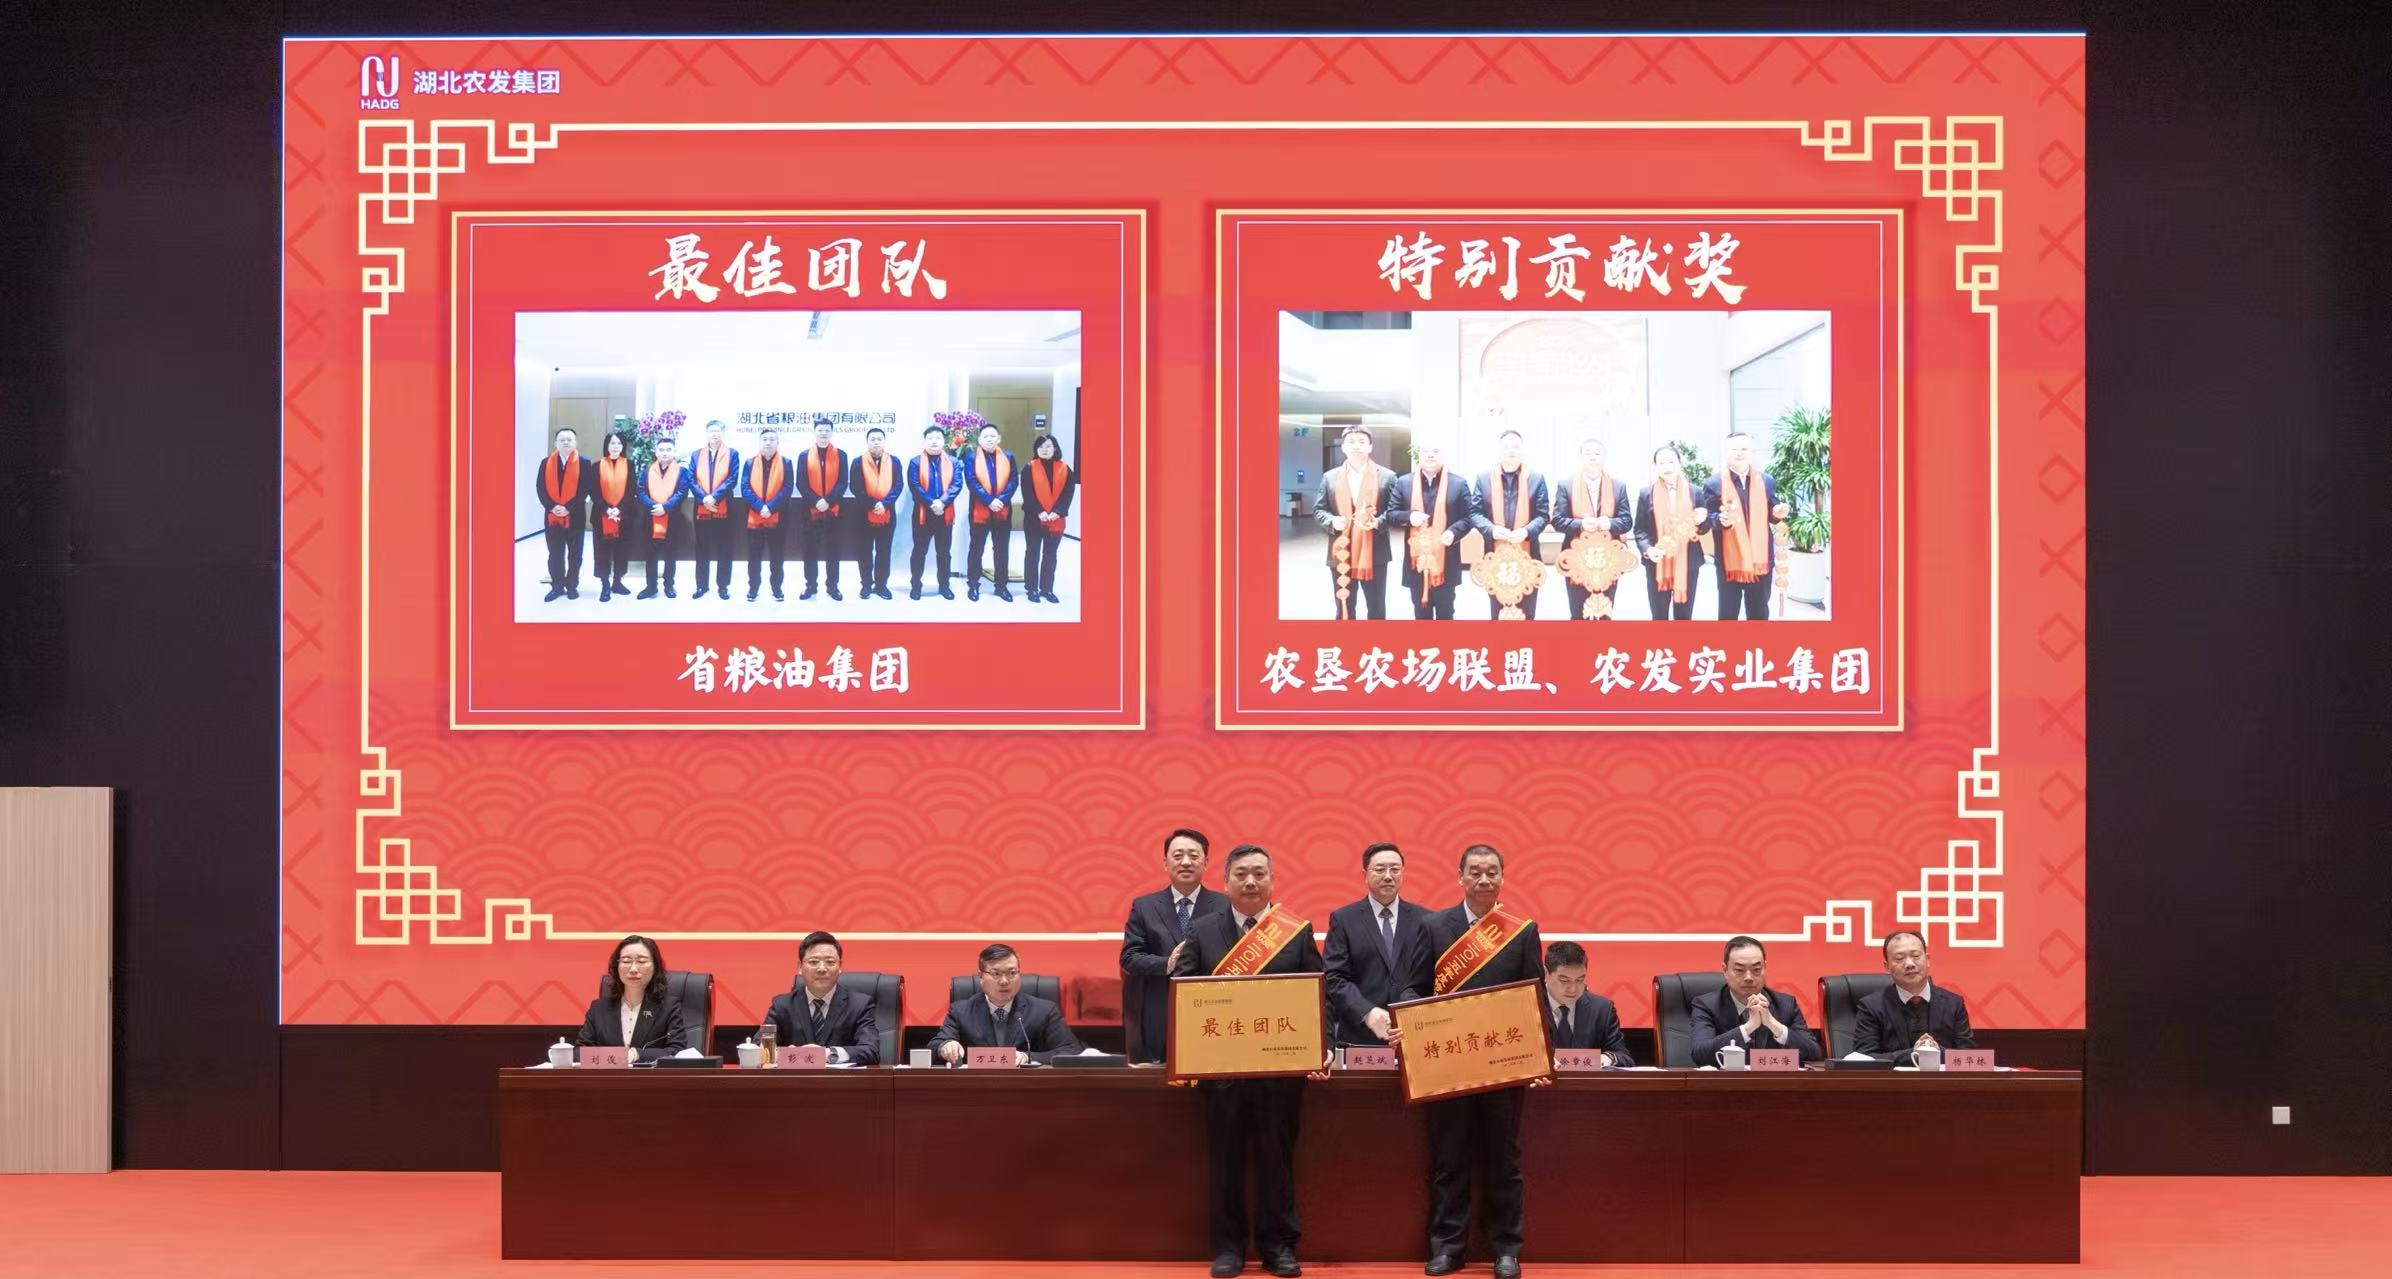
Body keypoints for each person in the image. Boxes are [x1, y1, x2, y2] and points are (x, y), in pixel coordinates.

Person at [1170, 844, 1325, 1279]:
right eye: (1241, 874)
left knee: (1278, 1161)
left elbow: (1318, 992)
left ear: (1272, 880)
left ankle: (1279, 1247)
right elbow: (1183, 991)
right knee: (1226, 1161)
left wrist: (1321, 1046)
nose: (1251, 882)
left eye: (1259, 873)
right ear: (1225, 882)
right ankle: (1228, 1248)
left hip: (1280, 1074)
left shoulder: (1295, 932)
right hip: (1222, 1075)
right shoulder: (1203, 930)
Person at [1413, 845, 1543, 1279]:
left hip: (1504, 1064)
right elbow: (1413, 988)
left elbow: (1535, 995)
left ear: (1502, 877)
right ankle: (1448, 1248)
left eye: (1491, 872)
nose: (1484, 879)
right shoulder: (1433, 927)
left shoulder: (1521, 931)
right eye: (1475, 872)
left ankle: (1506, 1250)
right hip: (1449, 1065)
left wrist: (1541, 1058)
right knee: (1450, 1159)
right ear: (1461, 878)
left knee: (1503, 1160)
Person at [1119, 828, 1229, 1064]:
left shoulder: (1225, 906)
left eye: (1193, 855)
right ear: (1165, 863)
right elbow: (1129, 958)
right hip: (1161, 1012)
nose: (1186, 862)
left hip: (1213, 1012)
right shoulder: (1145, 906)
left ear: (1206, 862)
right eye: (1178, 856)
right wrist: (1166, 963)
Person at [1321, 841, 1433, 1046]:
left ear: (1403, 873)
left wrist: (1409, 1015)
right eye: (1380, 869)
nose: (1388, 876)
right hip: (1359, 1037)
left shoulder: (1426, 920)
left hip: (1413, 1036)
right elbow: (1334, 977)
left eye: (1395, 869)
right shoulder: (1344, 919)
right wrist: (1366, 1011)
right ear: (1365, 875)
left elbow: (1430, 978)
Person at [928, 943, 1083, 1064]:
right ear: (981, 977)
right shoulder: (961, 1011)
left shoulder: (1044, 1010)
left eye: (1011, 973)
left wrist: (1027, 1057)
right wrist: (945, 1046)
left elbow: (1071, 1050)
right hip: (977, 1087)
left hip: (1028, 1087)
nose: (1004, 981)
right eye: (996, 974)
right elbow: (935, 1046)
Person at [1690, 936, 1823, 1066]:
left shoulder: (1785, 1005)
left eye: (1756, 970)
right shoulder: (1707, 1005)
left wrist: (1772, 1024)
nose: (1749, 977)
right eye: (1739, 970)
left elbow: (1814, 1053)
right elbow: (1700, 1055)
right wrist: (1749, 1027)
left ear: (1765, 968)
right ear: (1725, 970)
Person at [1697, 431, 1787, 621]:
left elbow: (1772, 511)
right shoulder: (1713, 483)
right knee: (1728, 613)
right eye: (1734, 449)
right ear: (1726, 452)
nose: (1739, 452)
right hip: (1729, 561)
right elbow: (1706, 519)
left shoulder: (1766, 480)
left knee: (1759, 612)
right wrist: (1718, 519)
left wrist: (1777, 513)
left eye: (1744, 448)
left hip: (1761, 560)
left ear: (1751, 451)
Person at [1849, 930, 1976, 1060]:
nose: (1909, 964)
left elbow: (1969, 1057)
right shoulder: (1871, 1007)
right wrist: (1915, 1054)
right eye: (1899, 958)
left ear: (1927, 960)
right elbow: (1865, 1058)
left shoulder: (1953, 1003)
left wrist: (1937, 1052)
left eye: (1915, 956)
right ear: (1887, 966)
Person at [1313, 426, 1397, 620]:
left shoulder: (1387, 476)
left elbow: (1395, 511)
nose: (1356, 446)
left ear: (1370, 446)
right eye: (1351, 442)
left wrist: (1378, 522)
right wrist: (1332, 521)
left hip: (1374, 552)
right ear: (1343, 447)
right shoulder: (1330, 477)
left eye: (1361, 441)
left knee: (1376, 608)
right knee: (1344, 607)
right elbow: (1319, 510)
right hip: (1341, 552)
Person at [762, 931, 881, 1065]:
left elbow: (871, 1050)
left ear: (840, 966)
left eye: (830, 962)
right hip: (795, 1078)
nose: (822, 969)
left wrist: (829, 1054)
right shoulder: (781, 1006)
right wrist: (788, 1054)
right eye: (813, 962)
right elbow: (759, 1049)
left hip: (842, 1078)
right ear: (800, 967)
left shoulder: (860, 1005)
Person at [1467, 429, 1550, 620]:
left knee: (1527, 608)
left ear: (1522, 450)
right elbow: (1475, 512)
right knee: (1498, 609)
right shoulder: (1484, 479)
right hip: (1494, 554)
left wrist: (1527, 531)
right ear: (1499, 451)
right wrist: (1491, 530)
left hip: (1528, 553)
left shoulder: (1536, 479)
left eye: (1516, 446)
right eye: (1506, 446)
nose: (1511, 450)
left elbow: (1543, 515)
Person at [1550, 437, 1633, 620]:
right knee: (1578, 611)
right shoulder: (1566, 485)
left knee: (1604, 611)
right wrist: (1580, 524)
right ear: (1581, 457)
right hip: (1575, 557)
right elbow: (1557, 520)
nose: (1593, 456)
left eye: (1597, 453)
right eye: (1588, 453)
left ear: (1604, 457)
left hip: (1609, 559)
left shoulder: (1618, 486)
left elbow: (1627, 521)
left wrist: (1609, 524)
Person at [573, 934, 689, 1061]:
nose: (633, 969)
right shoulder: (598, 1008)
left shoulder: (669, 1007)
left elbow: (678, 1051)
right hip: (609, 1074)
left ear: (655, 966)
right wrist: (617, 1057)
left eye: (641, 961)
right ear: (617, 967)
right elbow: (579, 1052)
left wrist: (637, 1054)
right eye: (626, 961)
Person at [1396, 440, 1472, 620]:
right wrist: (1409, 517)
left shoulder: (1458, 483)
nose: (1430, 455)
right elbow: (1392, 514)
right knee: (1421, 613)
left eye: (1435, 451)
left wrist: (1454, 532)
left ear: (1443, 455)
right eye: (1426, 451)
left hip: (1446, 560)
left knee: (1446, 613)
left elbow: (1469, 517)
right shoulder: (1404, 482)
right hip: (1416, 561)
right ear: (1419, 455)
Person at [1632, 445, 1710, 621]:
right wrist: (1648, 549)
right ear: (1655, 466)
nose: (1666, 467)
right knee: (1659, 615)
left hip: (1688, 561)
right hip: (1658, 562)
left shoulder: (1695, 492)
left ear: (1679, 464)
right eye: (1661, 463)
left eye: (1671, 462)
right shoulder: (1646, 493)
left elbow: (1705, 528)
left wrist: (1701, 520)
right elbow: (1640, 529)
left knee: (1684, 615)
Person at [1539, 940, 1632, 1067]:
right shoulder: (1528, 1006)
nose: (1573, 989)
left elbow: (1624, 1057)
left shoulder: (1601, 1009)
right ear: (1545, 973)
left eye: (1579, 980)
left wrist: (1606, 1058)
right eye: (1564, 980)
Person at [532, 426, 595, 602]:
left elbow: (585, 489)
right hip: (552, 518)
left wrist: (568, 507)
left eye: (569, 439)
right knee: (555, 554)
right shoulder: (546, 463)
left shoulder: (584, 463)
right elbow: (540, 488)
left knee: (575, 555)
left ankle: (572, 585)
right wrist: (552, 507)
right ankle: (557, 586)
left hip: (575, 517)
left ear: (575, 442)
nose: (566, 442)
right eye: (562, 440)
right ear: (556, 443)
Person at [907, 424, 964, 600]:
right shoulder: (915, 462)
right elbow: (915, 486)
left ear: (944, 441)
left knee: (944, 553)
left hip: (944, 514)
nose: (934, 441)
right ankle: (916, 586)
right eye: (930, 438)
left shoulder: (954, 462)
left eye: (938, 438)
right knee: (919, 551)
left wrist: (942, 502)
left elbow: (956, 485)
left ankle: (944, 586)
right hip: (923, 514)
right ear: (924, 442)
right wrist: (932, 503)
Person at [795, 417, 850, 601]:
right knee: (810, 550)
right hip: (810, 511)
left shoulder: (841, 455)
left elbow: (843, 482)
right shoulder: (804, 455)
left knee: (833, 550)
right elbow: (801, 483)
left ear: (831, 432)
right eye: (820, 430)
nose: (823, 433)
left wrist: (828, 501)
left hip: (833, 510)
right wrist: (816, 501)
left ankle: (832, 586)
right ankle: (810, 586)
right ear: (814, 432)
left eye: (827, 430)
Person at [964, 424, 1020, 601]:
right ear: (980, 440)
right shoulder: (971, 457)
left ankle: (1001, 587)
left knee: (1001, 549)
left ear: (998, 439)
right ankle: (973, 585)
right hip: (979, 510)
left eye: (992, 436)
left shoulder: (1008, 457)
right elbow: (971, 481)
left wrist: (1001, 500)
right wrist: (989, 500)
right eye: (985, 436)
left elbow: (1013, 480)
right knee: (976, 549)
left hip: (1002, 510)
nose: (989, 439)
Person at [847, 427, 904, 601]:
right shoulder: (858, 462)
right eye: (872, 439)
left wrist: (884, 504)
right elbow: (855, 487)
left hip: (887, 514)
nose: (876, 442)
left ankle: (881, 585)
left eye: (879, 439)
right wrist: (873, 504)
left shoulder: (894, 461)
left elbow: (898, 486)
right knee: (864, 551)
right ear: (867, 442)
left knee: (883, 551)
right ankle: (866, 584)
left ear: (884, 441)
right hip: (863, 514)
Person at [739, 428, 793, 602]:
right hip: (754, 517)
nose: (768, 443)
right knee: (754, 556)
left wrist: (770, 507)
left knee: (777, 556)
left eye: (772, 439)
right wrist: (760, 507)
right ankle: (753, 588)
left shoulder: (786, 463)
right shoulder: (749, 463)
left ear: (778, 442)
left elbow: (787, 488)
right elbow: (745, 488)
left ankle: (776, 588)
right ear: (759, 442)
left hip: (778, 517)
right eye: (765, 439)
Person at [1020, 434, 1075, 604]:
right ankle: (1031, 588)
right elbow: (1027, 493)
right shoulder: (1029, 468)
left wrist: (1058, 512)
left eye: (1048, 446)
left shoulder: (1065, 469)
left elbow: (1068, 494)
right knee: (1033, 553)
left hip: (1055, 519)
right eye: (1041, 447)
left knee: (1050, 555)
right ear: (1036, 449)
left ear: (1055, 448)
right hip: (1034, 518)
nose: (1044, 450)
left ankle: (1047, 589)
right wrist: (1039, 511)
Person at [634, 433, 690, 599]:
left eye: (668, 449)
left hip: (672, 518)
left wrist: (665, 508)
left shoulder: (682, 472)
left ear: (674, 452)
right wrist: (654, 507)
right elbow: (640, 491)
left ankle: (669, 586)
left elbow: (682, 492)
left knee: (670, 554)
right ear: (656, 452)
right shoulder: (647, 471)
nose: (665, 453)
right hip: (650, 518)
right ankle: (651, 587)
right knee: (650, 555)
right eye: (661, 450)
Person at [688, 419, 739, 600]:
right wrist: (704, 498)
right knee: (702, 547)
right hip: (701, 507)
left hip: (724, 507)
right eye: (711, 431)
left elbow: (732, 479)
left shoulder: (732, 454)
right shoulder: (696, 455)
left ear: (723, 433)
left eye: (718, 431)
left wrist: (714, 497)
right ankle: (701, 585)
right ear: (707, 433)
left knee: (724, 548)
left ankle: (723, 586)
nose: (714, 434)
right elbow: (691, 479)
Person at [588, 430, 637, 602]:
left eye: (619, 443)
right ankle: (605, 585)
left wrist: (619, 509)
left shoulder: (629, 465)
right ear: (606, 446)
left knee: (621, 550)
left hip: (624, 516)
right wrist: (607, 509)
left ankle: (617, 582)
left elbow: (632, 490)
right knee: (603, 552)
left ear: (623, 446)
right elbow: (594, 492)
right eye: (612, 443)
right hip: (602, 516)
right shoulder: (596, 466)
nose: (615, 446)